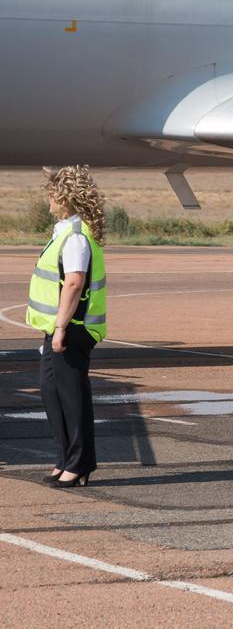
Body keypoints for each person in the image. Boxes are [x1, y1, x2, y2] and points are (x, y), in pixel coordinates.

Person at [27, 166, 109, 489]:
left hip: (72, 327)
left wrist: (60, 327)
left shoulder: (75, 237)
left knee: (72, 396)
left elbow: (74, 282)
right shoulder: (64, 232)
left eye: (52, 194)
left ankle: (78, 464)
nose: (48, 200)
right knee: (52, 391)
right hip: (58, 327)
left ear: (64, 198)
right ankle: (65, 458)